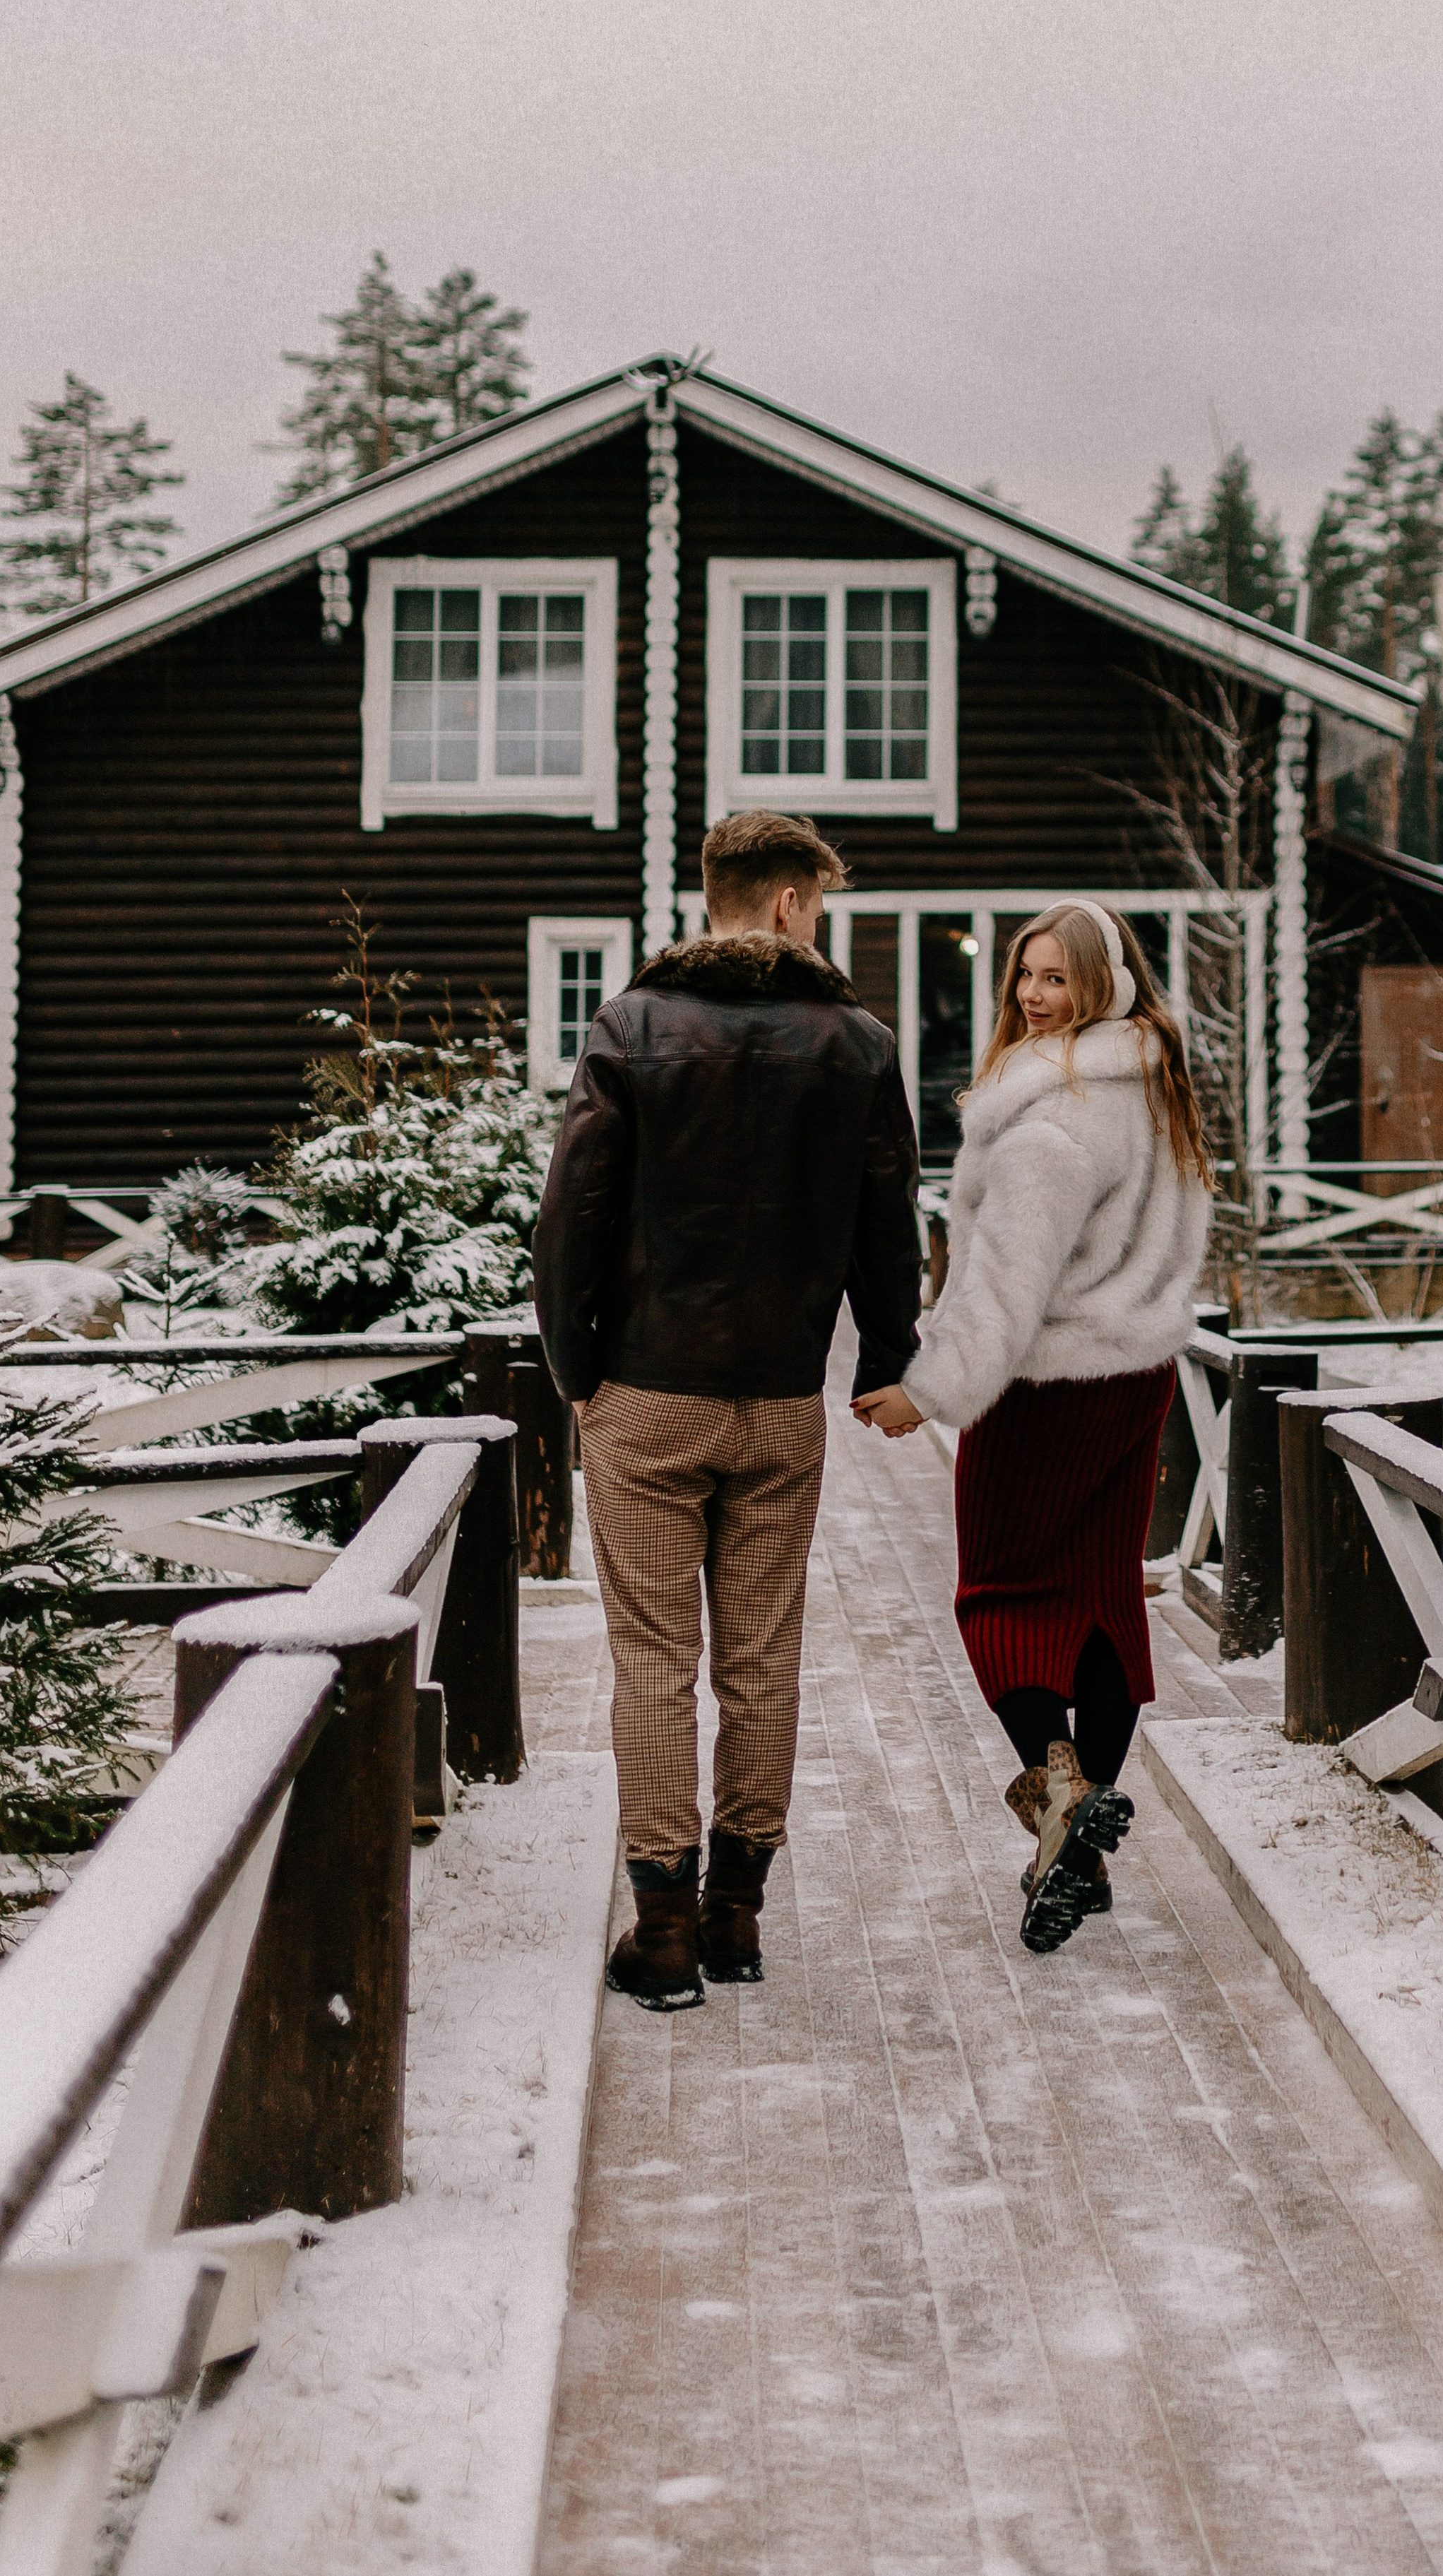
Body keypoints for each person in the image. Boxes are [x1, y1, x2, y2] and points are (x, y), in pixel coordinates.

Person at [534, 810, 920, 2012]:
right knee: (762, 1662)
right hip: (781, 1403)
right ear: (796, 904)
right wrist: (885, 1359)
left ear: (717, 897)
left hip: (646, 1396)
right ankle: (739, 1917)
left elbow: (572, 1215)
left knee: (654, 1664)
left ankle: (663, 1935)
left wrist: (575, 1368)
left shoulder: (633, 1026)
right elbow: (888, 1226)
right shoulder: (858, 1043)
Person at [854, 900, 1211, 1954]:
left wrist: (925, 1389)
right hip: (1135, 1376)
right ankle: (1079, 1852)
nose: (1031, 995)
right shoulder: (1152, 1086)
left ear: (1099, 985)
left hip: (1046, 1382)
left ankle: (1064, 1802)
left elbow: (1007, 1283)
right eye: (1026, 975)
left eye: (1056, 978)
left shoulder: (1053, 1116)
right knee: (1100, 1599)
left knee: (999, 1593)